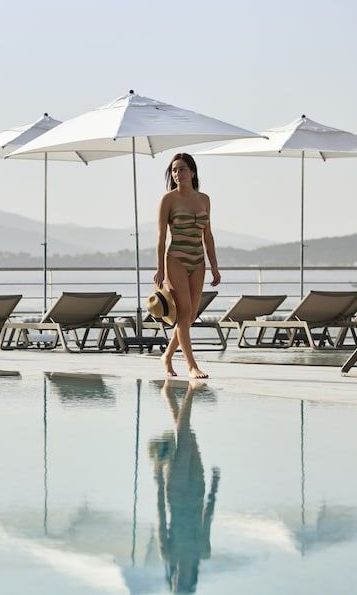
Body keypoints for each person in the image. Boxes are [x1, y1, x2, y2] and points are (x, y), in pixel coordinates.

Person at [153, 153, 220, 379]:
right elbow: (161, 237)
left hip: (198, 261)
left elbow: (207, 235)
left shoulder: (204, 199)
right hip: (176, 260)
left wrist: (214, 266)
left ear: (192, 172)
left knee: (190, 316)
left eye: (181, 169)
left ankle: (167, 355)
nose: (177, 174)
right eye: (174, 170)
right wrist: (160, 269)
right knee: (184, 313)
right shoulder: (168, 200)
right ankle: (191, 365)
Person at [150, 380, 220, 593]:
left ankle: (191, 390)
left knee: (185, 436)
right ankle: (169, 396)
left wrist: (159, 480)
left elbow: (161, 515)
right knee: (188, 436)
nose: (179, 578)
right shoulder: (203, 551)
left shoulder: (168, 554)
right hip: (197, 490)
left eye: (175, 583)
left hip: (176, 491)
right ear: (190, 581)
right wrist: (214, 488)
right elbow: (207, 518)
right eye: (182, 583)